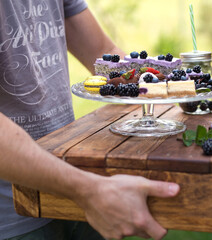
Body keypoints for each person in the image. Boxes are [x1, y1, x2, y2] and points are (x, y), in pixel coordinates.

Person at [0, 1, 180, 239]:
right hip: (15, 214)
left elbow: (102, 53)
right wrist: (89, 190)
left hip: (77, 186)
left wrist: (173, 92)